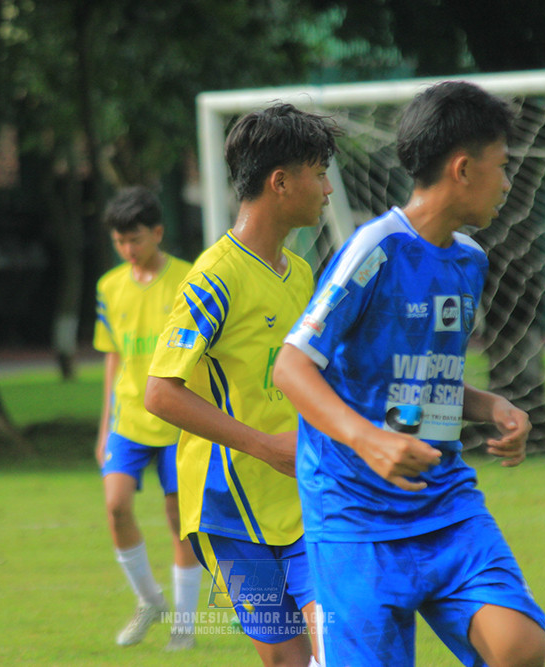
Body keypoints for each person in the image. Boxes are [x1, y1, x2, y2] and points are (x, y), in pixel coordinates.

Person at [274, 81, 545, 667]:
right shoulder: (373, 249)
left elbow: (423, 378)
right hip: (354, 515)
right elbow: (291, 365)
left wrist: (491, 405)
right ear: (463, 168)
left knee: (519, 647)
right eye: (503, 168)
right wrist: (369, 440)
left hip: (445, 503)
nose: (508, 183)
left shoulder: (469, 261)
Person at [144, 103, 339, 667]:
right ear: (281, 183)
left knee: (337, 640)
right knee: (285, 660)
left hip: (304, 495)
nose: (327, 189)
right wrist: (264, 445)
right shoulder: (214, 277)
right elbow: (160, 392)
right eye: (319, 172)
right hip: (229, 508)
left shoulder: (300, 273)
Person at [92, 186, 201, 651]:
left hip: (178, 421)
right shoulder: (109, 287)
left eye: (135, 239)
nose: (128, 250)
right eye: (119, 242)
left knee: (180, 521)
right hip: (129, 420)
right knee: (116, 506)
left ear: (157, 232)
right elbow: (113, 356)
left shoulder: (189, 278)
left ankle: (184, 626)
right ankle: (149, 600)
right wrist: (104, 425)